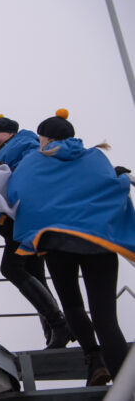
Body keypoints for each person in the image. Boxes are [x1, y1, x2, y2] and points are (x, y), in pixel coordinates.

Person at [7, 108, 134, 385]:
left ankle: (94, 360)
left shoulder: (33, 161)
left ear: (45, 138)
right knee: (106, 317)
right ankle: (127, 386)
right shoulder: (96, 156)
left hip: (57, 242)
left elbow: (16, 193)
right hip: (98, 241)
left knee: (73, 307)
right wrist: (122, 179)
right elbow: (108, 185)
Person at [0, 114, 71, 349]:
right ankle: (54, 333)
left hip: (24, 217)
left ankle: (60, 324)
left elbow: (30, 168)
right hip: (19, 217)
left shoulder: (24, 144)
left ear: (10, 132)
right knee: (35, 274)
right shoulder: (10, 150)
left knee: (10, 267)